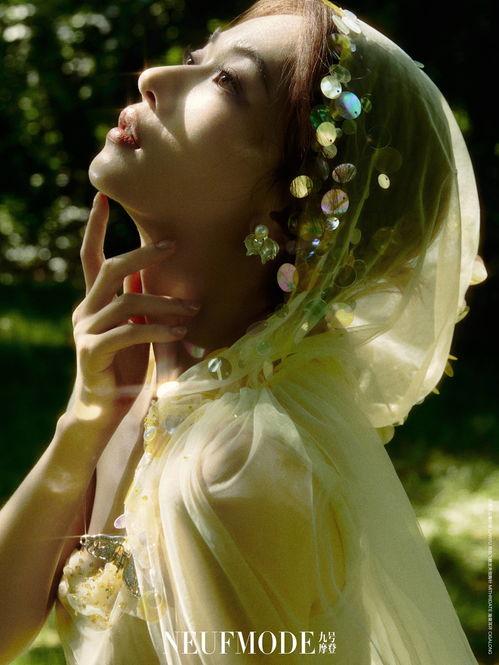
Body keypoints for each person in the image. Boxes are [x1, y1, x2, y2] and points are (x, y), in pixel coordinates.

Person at [0, 1, 487, 663]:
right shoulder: (153, 389)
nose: (153, 77)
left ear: (291, 207)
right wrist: (87, 417)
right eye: (197, 59)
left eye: (228, 81)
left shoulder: (241, 466)